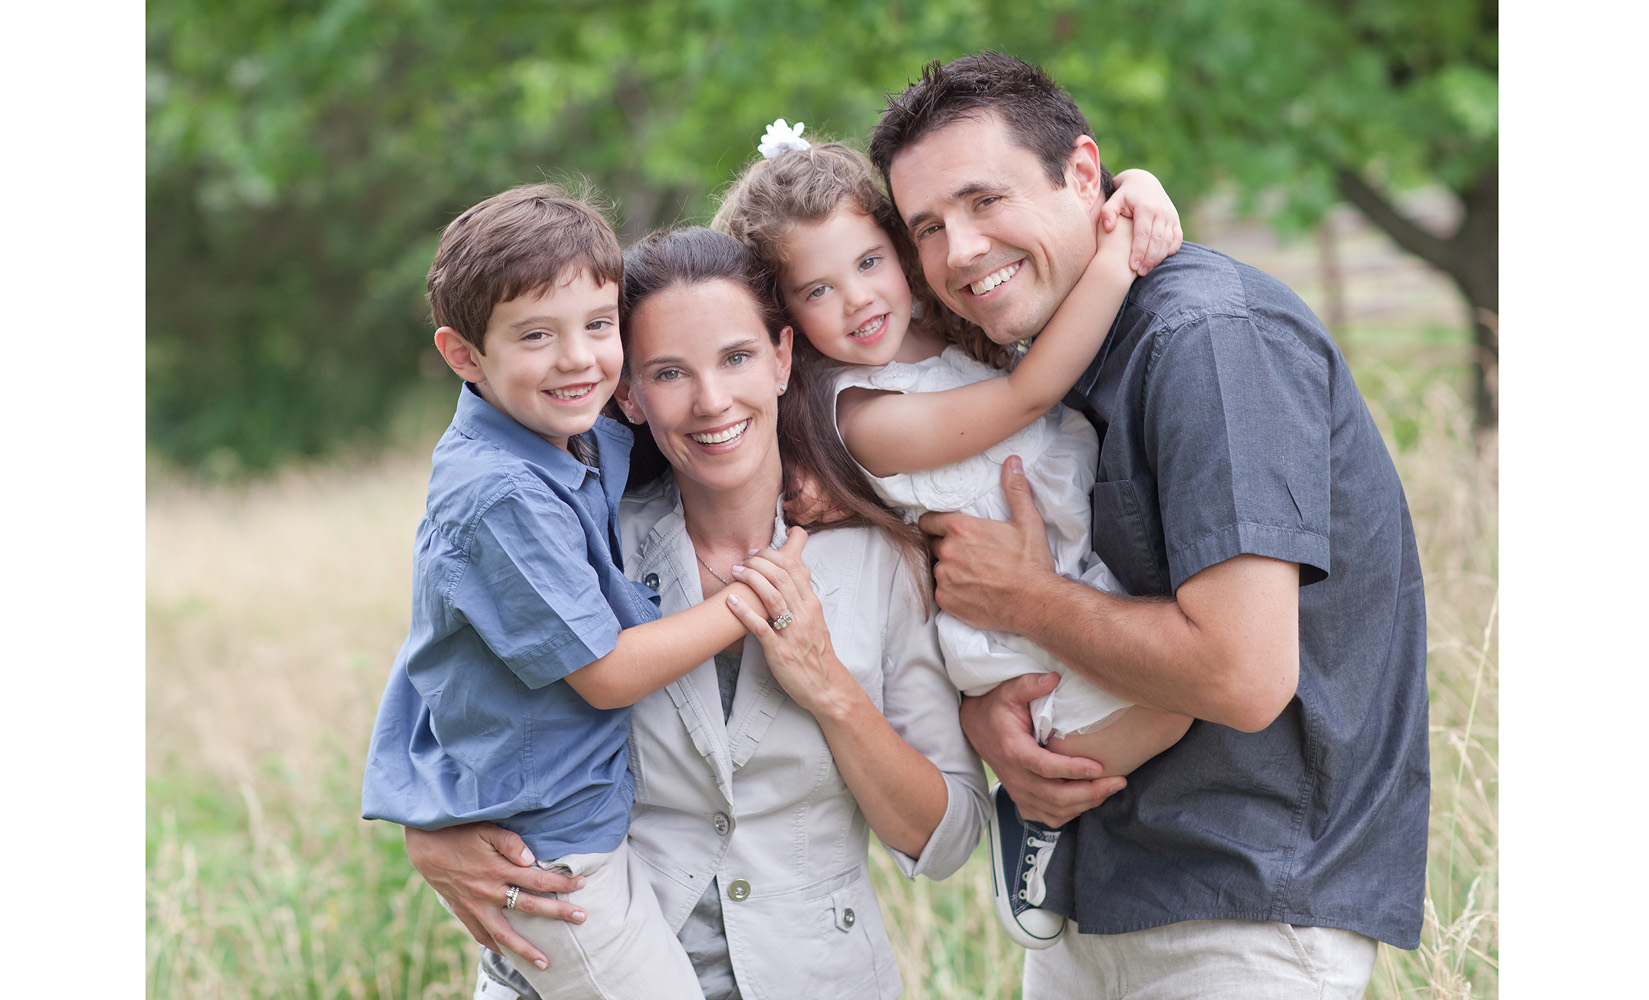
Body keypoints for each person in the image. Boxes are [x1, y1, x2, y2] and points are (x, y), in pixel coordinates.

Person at [868, 52, 1430, 999]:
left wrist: (1026, 598)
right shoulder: (1035, 362)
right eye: (928, 226)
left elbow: (1246, 675)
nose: (960, 249)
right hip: (1093, 907)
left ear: (1085, 177)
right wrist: (987, 723)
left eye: (984, 200)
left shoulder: (1208, 338)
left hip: (1243, 916)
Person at [403, 226, 990, 1000]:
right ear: (629, 395)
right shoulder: (583, 537)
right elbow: (447, 679)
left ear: (783, 358)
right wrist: (427, 830)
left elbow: (946, 839)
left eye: (738, 358)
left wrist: (830, 688)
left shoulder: (882, 559)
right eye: (669, 373)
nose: (712, 401)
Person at [711, 124, 1193, 948]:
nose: (858, 300)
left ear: (900, 250)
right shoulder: (860, 415)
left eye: (868, 264)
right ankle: (1031, 826)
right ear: (782, 319)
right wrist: (1118, 255)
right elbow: (1024, 399)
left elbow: (1045, 230)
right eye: (817, 291)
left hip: (1070, 565)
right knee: (1171, 712)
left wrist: (1135, 182)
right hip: (1004, 622)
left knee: (1176, 680)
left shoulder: (945, 320)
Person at [360, 185, 807, 1000]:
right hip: (552, 858)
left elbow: (714, 370)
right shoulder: (503, 494)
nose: (578, 359)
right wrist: (753, 594)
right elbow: (604, 671)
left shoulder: (575, 429)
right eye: (536, 335)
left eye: (599, 326)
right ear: (463, 356)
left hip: (590, 839)